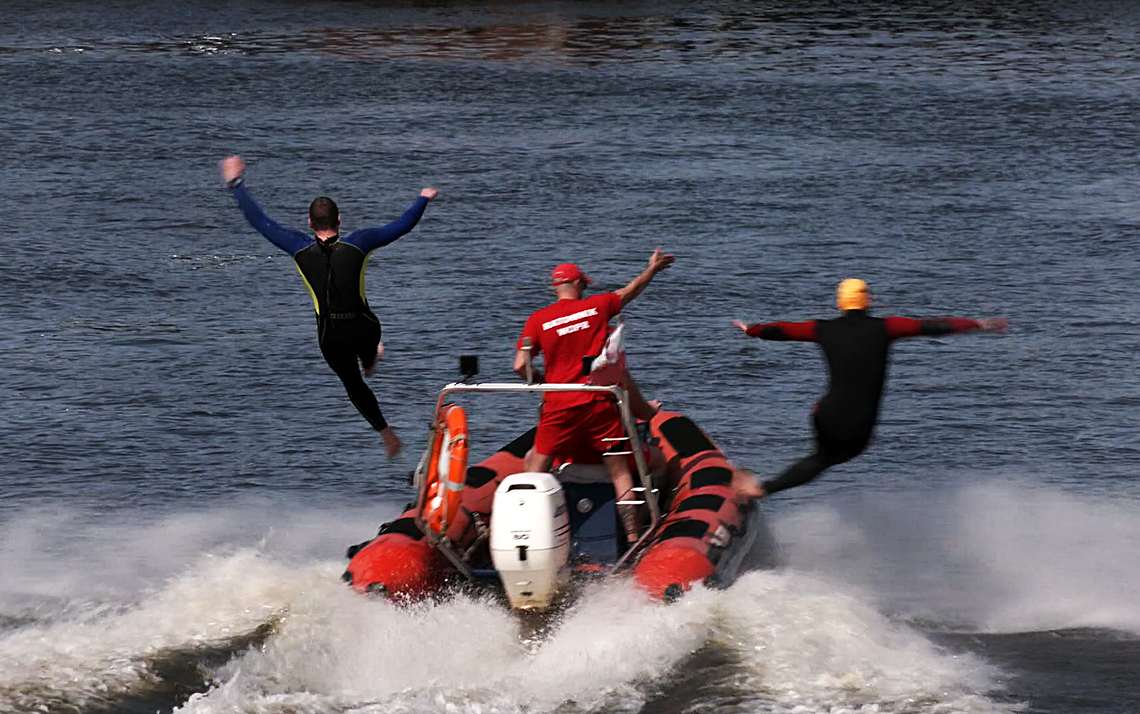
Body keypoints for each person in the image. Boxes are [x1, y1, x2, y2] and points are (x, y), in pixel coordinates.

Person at [219, 155, 438, 457]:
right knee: (368, 340)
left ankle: (386, 433)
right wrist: (423, 199)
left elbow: (259, 221)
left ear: (310, 224)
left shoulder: (298, 247)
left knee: (353, 384)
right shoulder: (359, 243)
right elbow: (402, 226)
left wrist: (236, 183)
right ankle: (371, 357)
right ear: (339, 221)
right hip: (365, 328)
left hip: (331, 336)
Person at [732, 278, 1007, 498]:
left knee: (822, 456)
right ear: (868, 302)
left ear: (840, 304)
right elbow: (931, 326)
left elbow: (782, 330)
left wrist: (751, 330)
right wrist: (978, 324)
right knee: (832, 456)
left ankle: (761, 486)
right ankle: (762, 489)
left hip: (824, 413)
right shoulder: (885, 328)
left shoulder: (822, 329)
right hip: (858, 426)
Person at [514, 250, 674, 540]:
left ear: (556, 288)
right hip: (597, 401)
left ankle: (529, 535)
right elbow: (631, 290)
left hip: (558, 404)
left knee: (534, 470)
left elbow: (520, 365)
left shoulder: (537, 320)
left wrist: (541, 380)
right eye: (584, 285)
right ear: (578, 285)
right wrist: (652, 270)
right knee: (620, 472)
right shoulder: (598, 307)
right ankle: (633, 536)